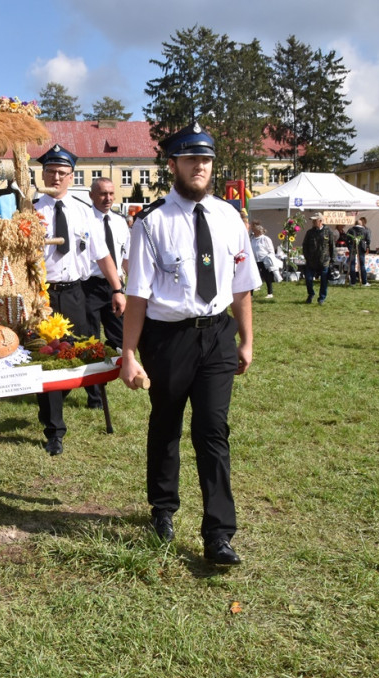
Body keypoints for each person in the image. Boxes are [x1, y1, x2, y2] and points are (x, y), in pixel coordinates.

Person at [119, 122, 259, 565]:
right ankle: (163, 508)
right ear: (173, 164)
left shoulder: (229, 218)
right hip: (169, 338)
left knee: (213, 430)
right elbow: (137, 295)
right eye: (191, 159)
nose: (200, 167)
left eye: (207, 160)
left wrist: (247, 340)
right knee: (166, 424)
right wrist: (128, 354)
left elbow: (242, 286)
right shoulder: (151, 223)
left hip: (218, 334)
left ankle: (219, 535)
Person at [33, 144, 125, 455]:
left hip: (75, 293)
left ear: (72, 177)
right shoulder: (30, 212)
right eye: (50, 172)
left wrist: (117, 288)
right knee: (46, 360)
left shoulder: (84, 212)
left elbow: (102, 254)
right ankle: (54, 430)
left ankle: (94, 397)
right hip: (41, 296)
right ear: (42, 174)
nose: (56, 177)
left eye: (62, 173)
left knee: (81, 349)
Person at [81, 177, 129, 409]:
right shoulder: (82, 221)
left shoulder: (120, 222)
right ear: (91, 195)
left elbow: (125, 256)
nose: (108, 198)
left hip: (114, 286)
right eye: (102, 194)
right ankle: (95, 396)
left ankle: (116, 369)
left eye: (111, 193)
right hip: (89, 286)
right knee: (90, 341)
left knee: (121, 337)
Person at [302, 213, 334, 304]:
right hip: (311, 261)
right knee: (308, 279)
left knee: (324, 281)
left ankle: (321, 298)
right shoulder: (310, 232)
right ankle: (311, 294)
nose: (313, 222)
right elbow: (305, 245)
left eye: (315, 220)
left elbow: (332, 246)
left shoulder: (328, 231)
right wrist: (307, 256)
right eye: (312, 220)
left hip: (324, 261)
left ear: (320, 221)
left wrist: (332, 260)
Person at [250, 222, 276, 298]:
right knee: (253, 276)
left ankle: (270, 293)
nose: (253, 231)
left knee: (266, 276)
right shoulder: (252, 239)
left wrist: (269, 258)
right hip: (255, 260)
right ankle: (251, 294)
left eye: (254, 230)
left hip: (264, 260)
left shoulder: (265, 239)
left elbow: (271, 250)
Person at [347, 216, 372, 286]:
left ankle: (353, 282)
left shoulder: (351, 230)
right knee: (362, 265)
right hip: (361, 248)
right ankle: (364, 282)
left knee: (352, 264)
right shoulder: (365, 230)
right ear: (361, 224)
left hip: (352, 248)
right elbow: (369, 240)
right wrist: (366, 246)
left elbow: (346, 238)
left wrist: (349, 246)